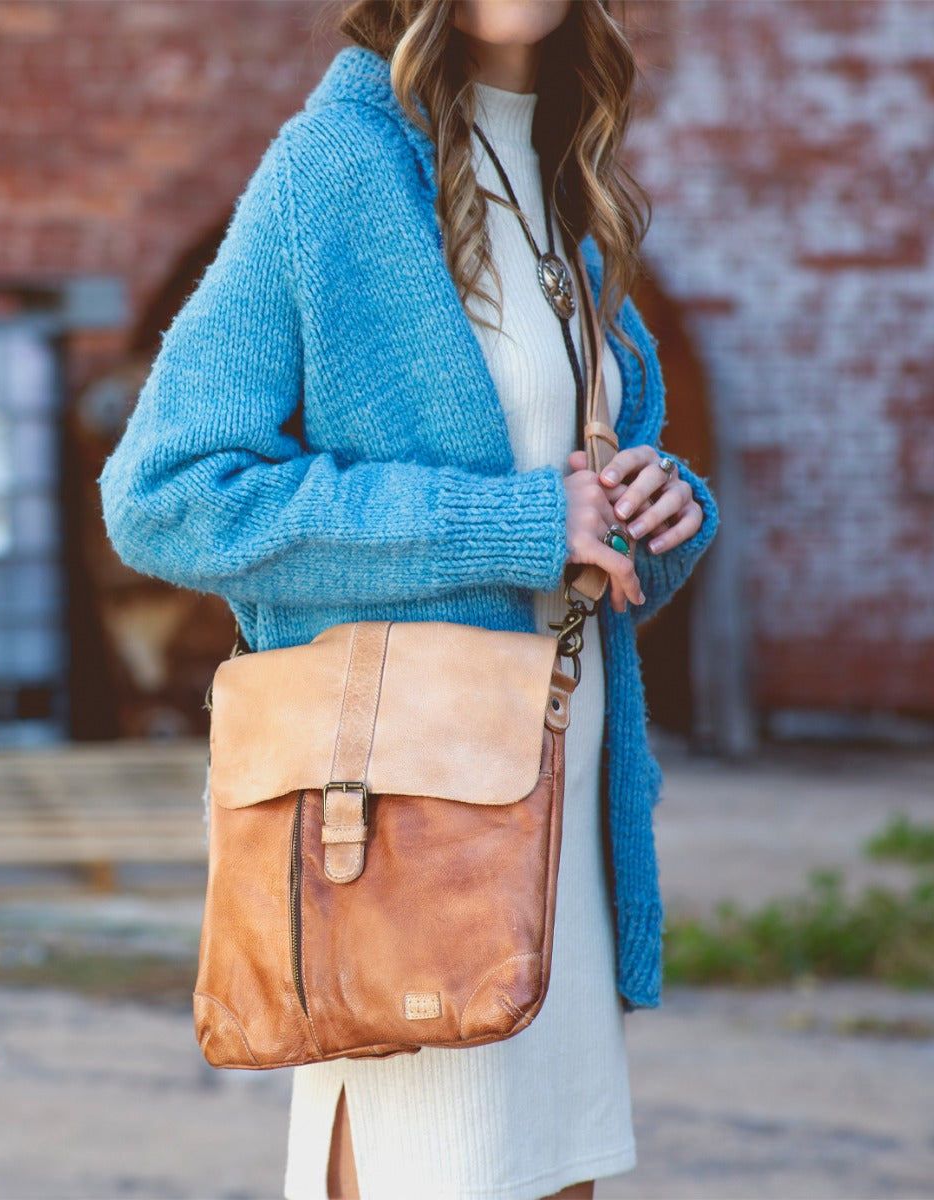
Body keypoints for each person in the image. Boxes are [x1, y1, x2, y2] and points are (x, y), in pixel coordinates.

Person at [99, 1, 719, 1196]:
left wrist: (650, 509)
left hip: (555, 823)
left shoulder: (561, 183)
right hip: (415, 836)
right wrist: (518, 525)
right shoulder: (335, 169)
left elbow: (580, 533)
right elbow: (166, 494)